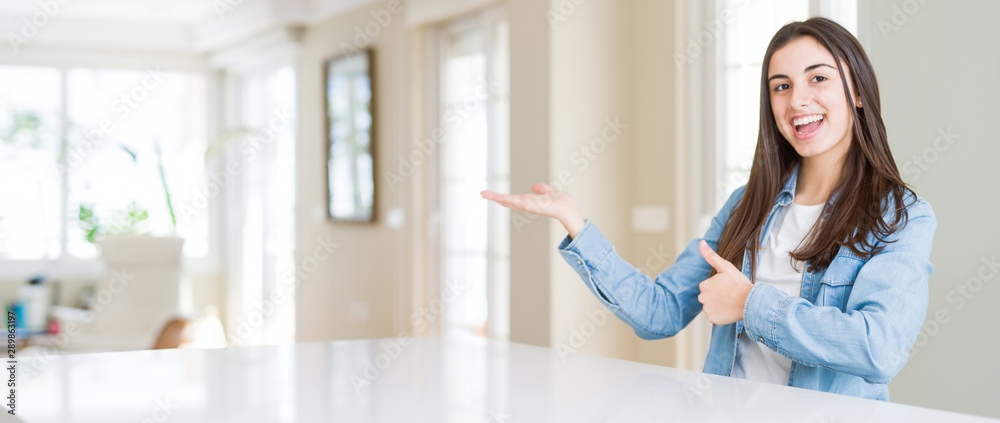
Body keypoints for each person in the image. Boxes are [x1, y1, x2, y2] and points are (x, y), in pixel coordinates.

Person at [480, 17, 936, 401]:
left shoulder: (900, 216)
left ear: (858, 92)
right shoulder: (746, 204)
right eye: (781, 86)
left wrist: (751, 304)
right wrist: (574, 221)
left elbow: (879, 348)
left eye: (818, 78)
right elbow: (659, 313)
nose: (797, 100)